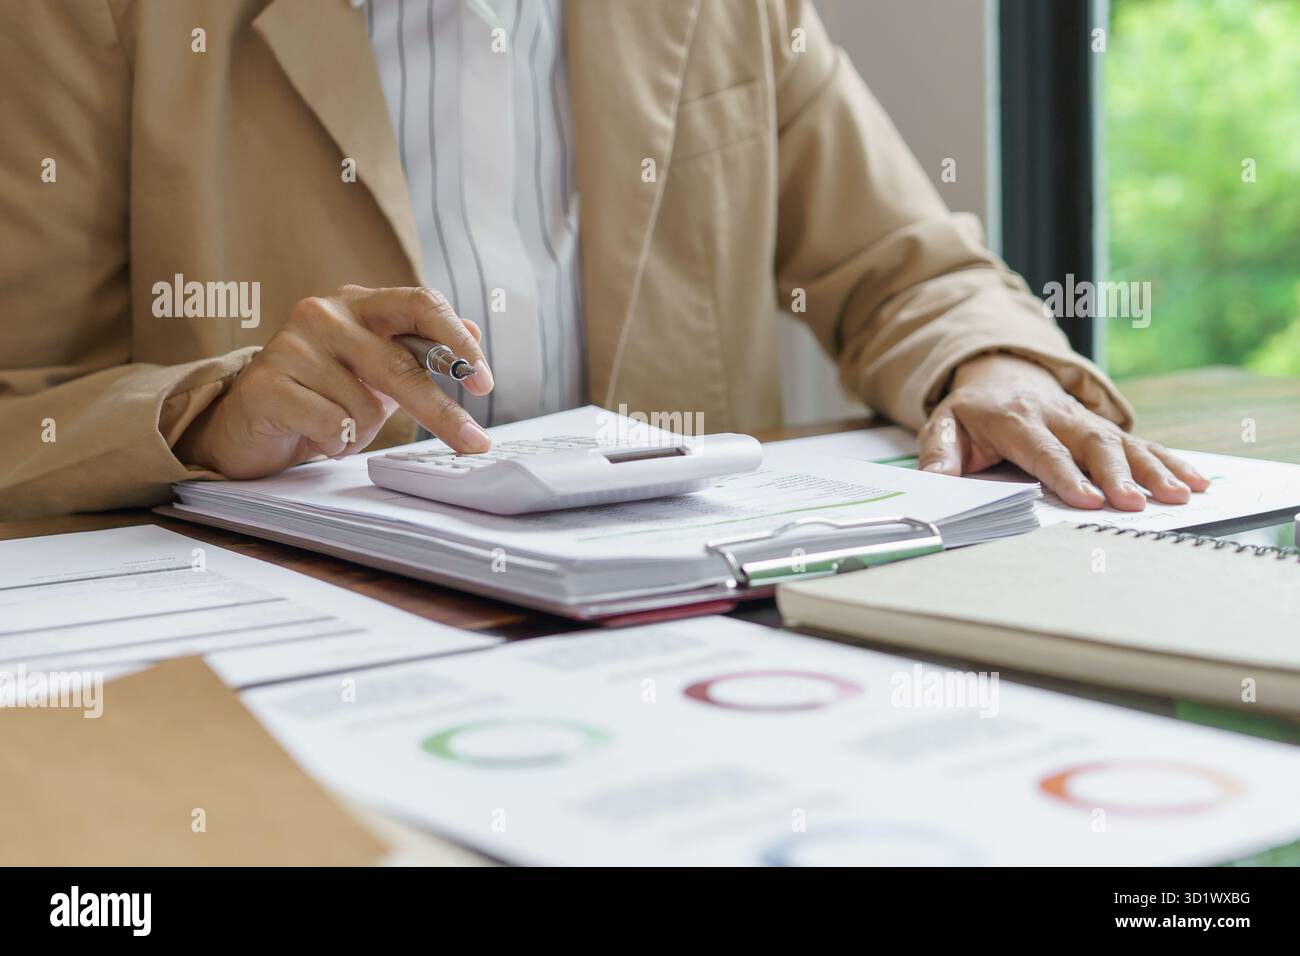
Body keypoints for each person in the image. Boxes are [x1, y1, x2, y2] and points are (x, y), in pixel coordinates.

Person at [0, 0, 1206, 519]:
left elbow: (906, 269)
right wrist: (202, 411)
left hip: (684, 647)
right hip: (283, 680)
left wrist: (993, 365)